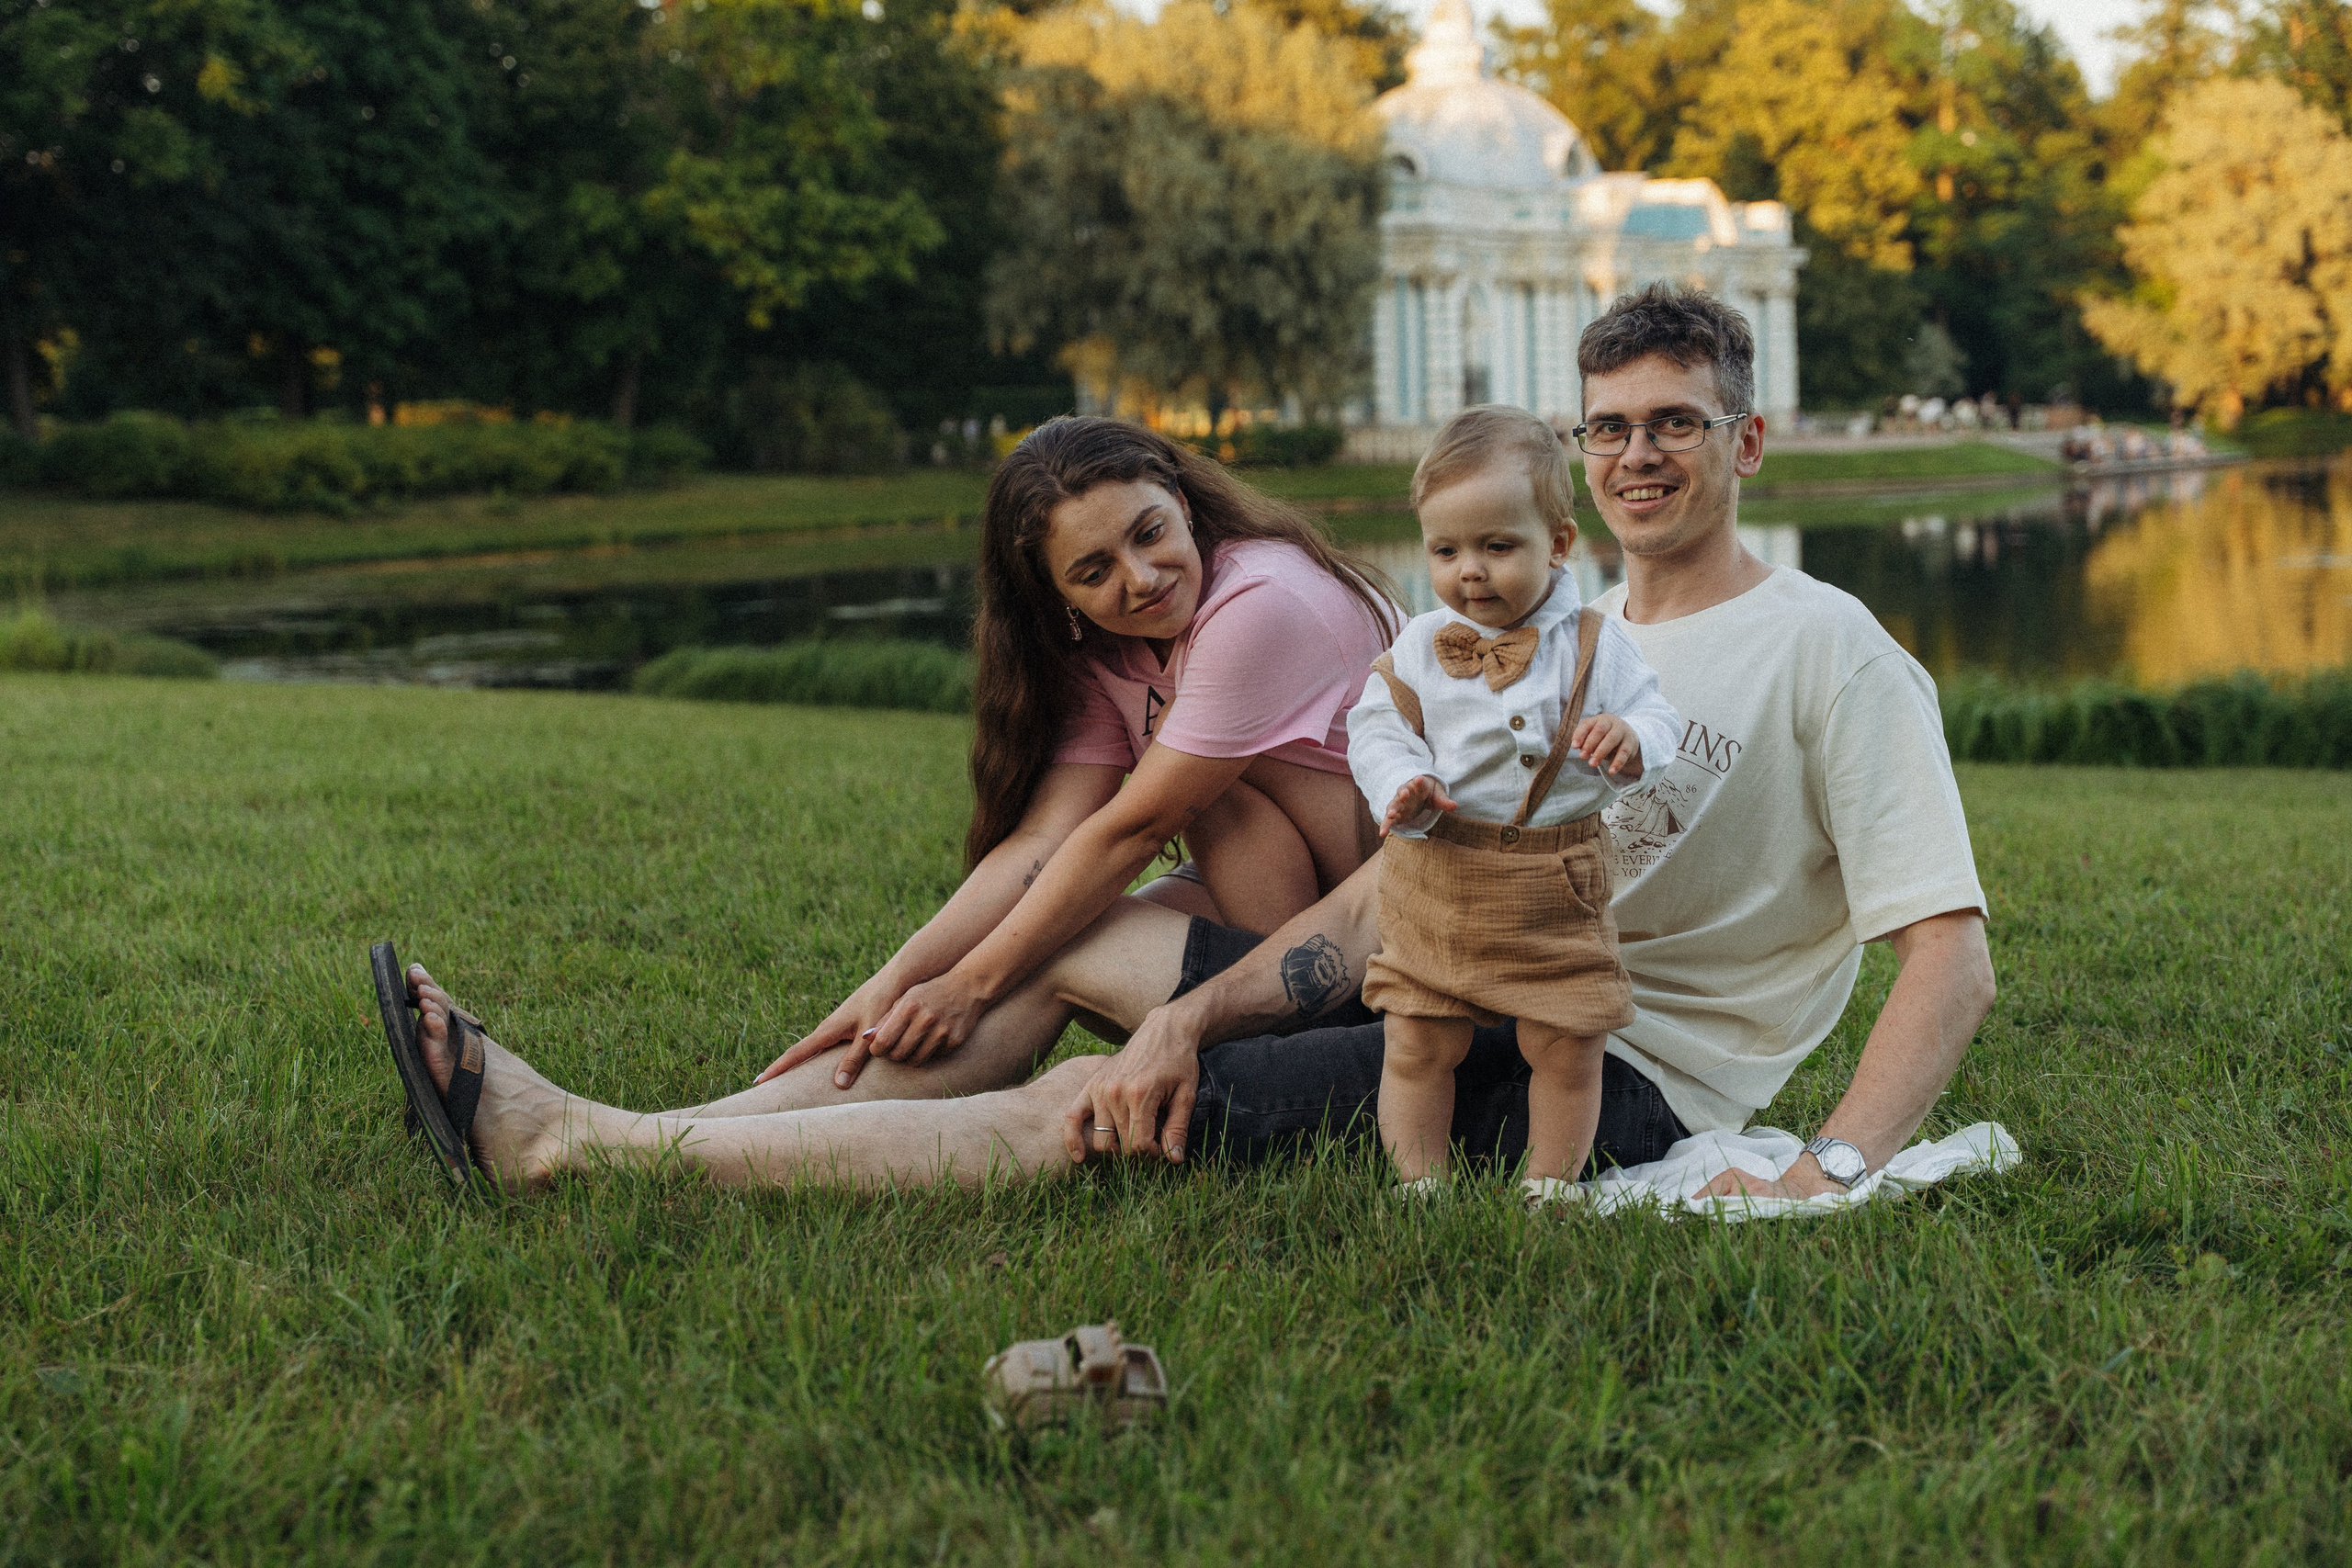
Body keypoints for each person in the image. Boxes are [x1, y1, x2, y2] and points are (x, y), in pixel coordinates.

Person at [380, 283, 1995, 1203]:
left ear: (1748, 441)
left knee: (1086, 1118)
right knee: (1062, 958)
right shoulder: (1548, 635)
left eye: (1679, 422)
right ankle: (690, 1124)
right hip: (1439, 974)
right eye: (1611, 426)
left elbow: (1948, 957)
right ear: (1575, 455)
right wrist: (1194, 1007)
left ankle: (580, 1153)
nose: (1642, 454)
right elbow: (1396, 897)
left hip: (1618, 1073)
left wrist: (1835, 1165)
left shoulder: (1831, 649)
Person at [741, 415, 1399, 1104]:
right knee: (1038, 938)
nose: (1142, 578)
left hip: (1376, 932)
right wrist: (896, 978)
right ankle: (719, 1127)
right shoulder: (1101, 646)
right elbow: (1046, 839)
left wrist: (968, 984)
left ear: (1179, 495)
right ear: (1056, 594)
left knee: (1072, 905)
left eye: (1148, 532)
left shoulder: (1260, 601)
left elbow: (1133, 831)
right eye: (1094, 572)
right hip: (1276, 889)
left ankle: (1295, 1035)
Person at [1346, 406, 1679, 1202]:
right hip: (1441, 875)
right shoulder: (1421, 647)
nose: (1470, 571)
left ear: (1559, 544)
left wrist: (1633, 736)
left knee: (1568, 1042)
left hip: (1555, 883)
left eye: (1499, 546)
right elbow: (1375, 728)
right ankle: (1420, 1182)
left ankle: (1551, 1185)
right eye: (1446, 549)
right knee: (1418, 1040)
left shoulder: (1596, 642)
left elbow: (1660, 712)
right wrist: (1404, 785)